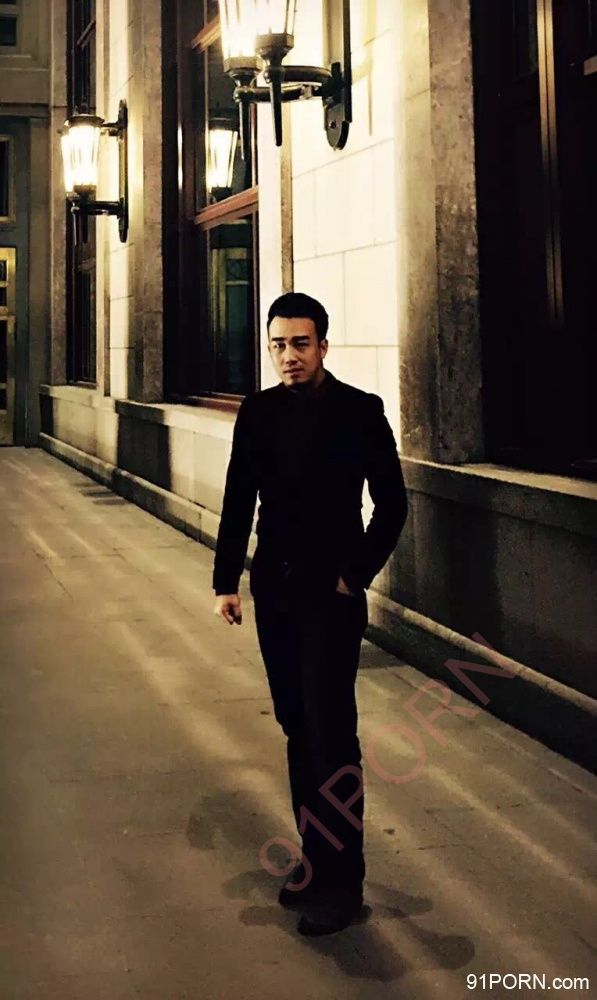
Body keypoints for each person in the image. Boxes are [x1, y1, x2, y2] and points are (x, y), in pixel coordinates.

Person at [213, 292, 408, 936]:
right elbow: (239, 495)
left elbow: (392, 504)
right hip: (275, 589)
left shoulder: (359, 411)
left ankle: (343, 882)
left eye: (300, 343)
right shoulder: (259, 411)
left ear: (323, 345)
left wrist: (356, 575)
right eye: (278, 345)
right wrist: (226, 581)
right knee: (297, 725)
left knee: (331, 732)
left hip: (332, 595)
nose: (288, 355)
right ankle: (313, 857)